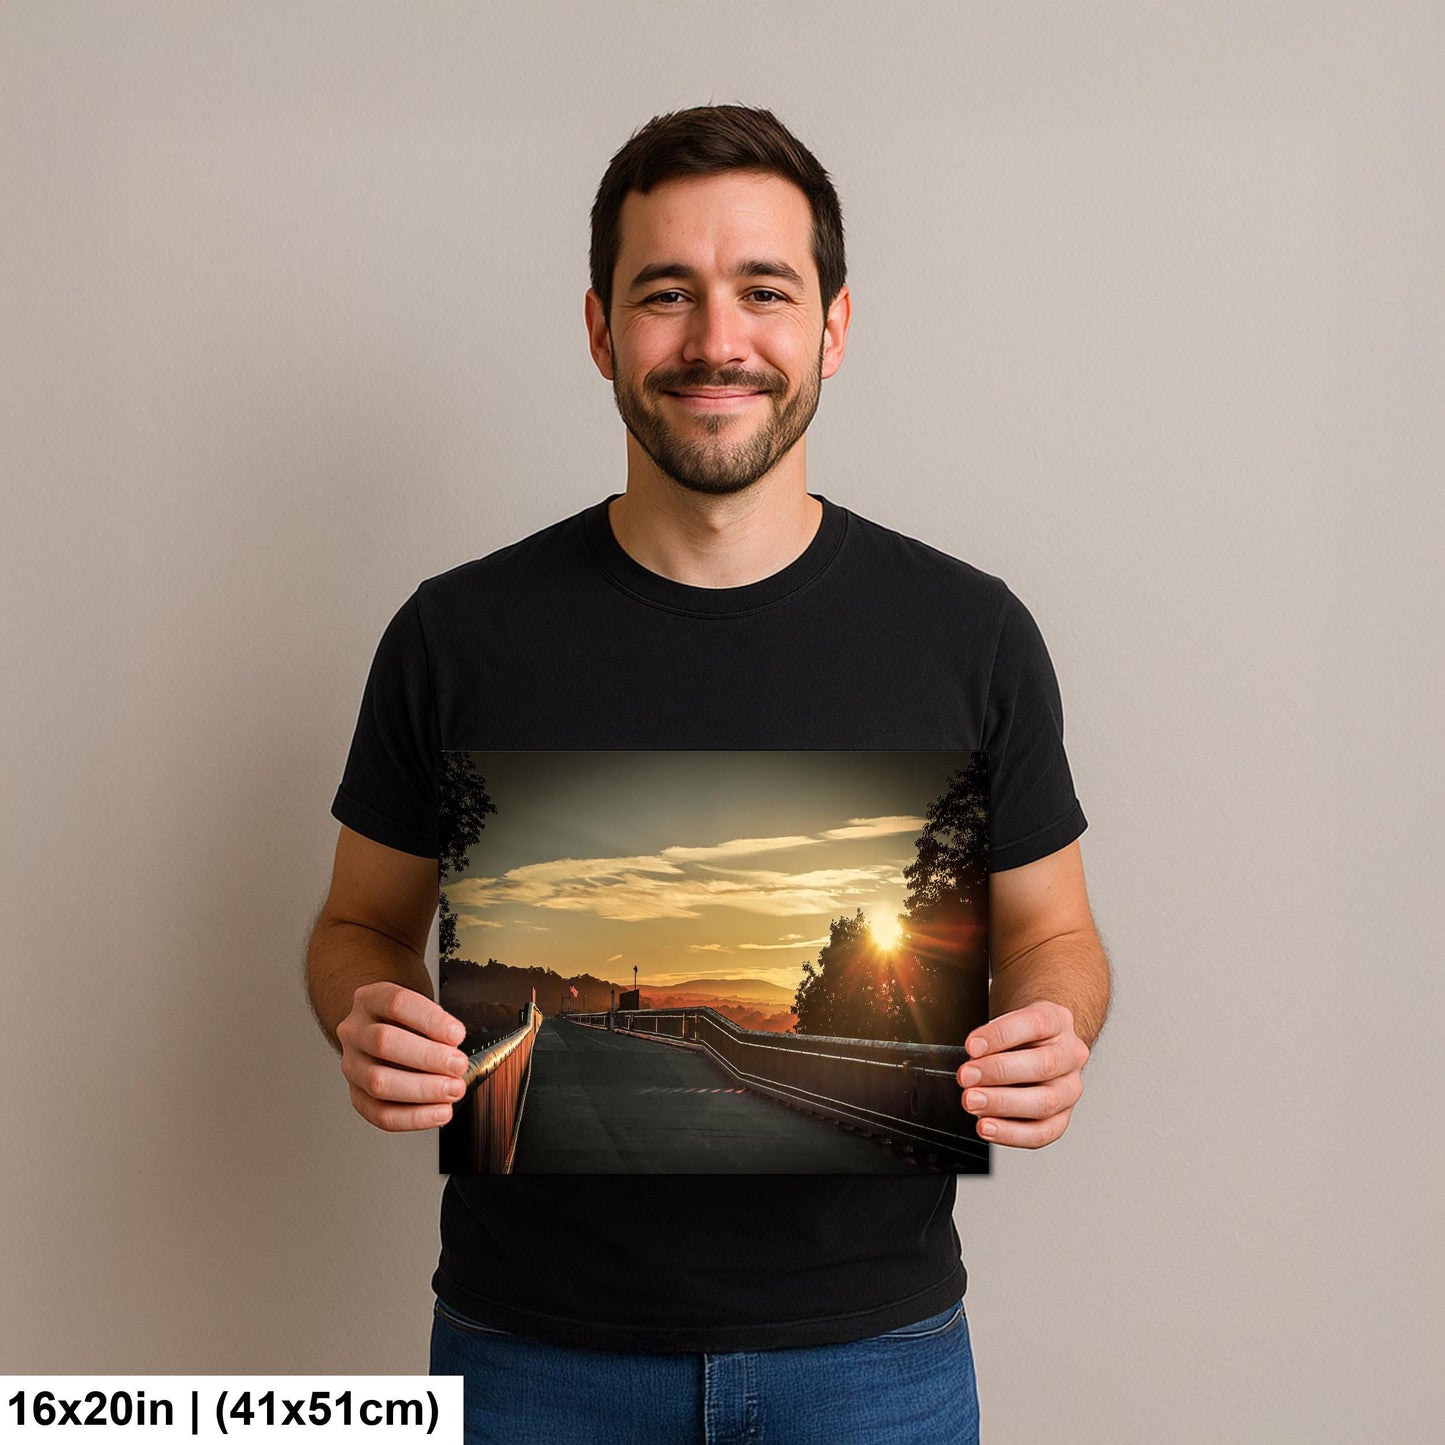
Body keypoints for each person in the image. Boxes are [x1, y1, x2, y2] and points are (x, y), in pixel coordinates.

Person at [306, 105, 1110, 1444]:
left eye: (763, 291)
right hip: (529, 1360)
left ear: (833, 329)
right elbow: (355, 924)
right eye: (665, 293)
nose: (715, 339)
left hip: (876, 1357)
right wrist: (370, 1011)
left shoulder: (971, 633)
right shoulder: (457, 634)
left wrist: (1052, 1029)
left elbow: (1058, 936)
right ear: (599, 329)